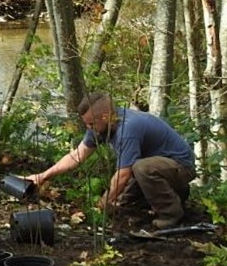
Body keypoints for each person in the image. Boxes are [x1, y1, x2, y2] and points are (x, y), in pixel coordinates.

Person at [28, 91, 197, 229]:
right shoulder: (101, 126)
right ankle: (177, 193)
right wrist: (43, 176)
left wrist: (103, 203)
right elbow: (77, 155)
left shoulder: (127, 129)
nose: (88, 128)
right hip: (155, 165)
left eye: (91, 124)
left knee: (140, 169)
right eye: (86, 124)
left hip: (180, 166)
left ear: (106, 117)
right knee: (123, 202)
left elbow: (123, 174)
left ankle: (170, 215)